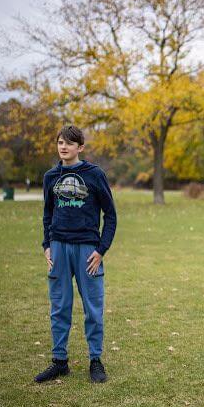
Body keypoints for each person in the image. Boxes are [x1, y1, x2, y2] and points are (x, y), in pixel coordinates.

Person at [35, 125, 117, 384]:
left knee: (93, 308)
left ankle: (95, 360)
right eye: (60, 142)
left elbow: (111, 215)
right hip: (59, 248)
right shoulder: (50, 177)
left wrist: (101, 250)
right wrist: (47, 245)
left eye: (69, 143)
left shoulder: (94, 174)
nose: (63, 147)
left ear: (80, 147)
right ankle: (59, 361)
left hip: (87, 250)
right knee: (59, 307)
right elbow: (47, 214)